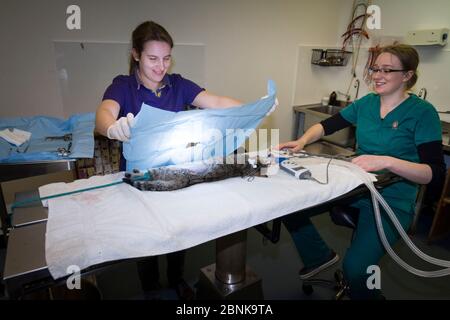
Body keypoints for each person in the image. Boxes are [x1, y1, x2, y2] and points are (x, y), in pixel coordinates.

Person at [95, 21, 262, 300]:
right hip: (140, 179)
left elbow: (218, 102)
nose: (161, 67)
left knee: (176, 232)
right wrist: (111, 126)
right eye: (152, 59)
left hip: (175, 174)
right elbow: (104, 112)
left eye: (166, 58)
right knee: (147, 238)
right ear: (136, 54)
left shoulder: (179, 85)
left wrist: (256, 107)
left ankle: (176, 280)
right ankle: (150, 287)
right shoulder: (123, 87)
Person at [277, 44, 445, 299]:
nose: (377, 75)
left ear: (407, 75)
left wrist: (387, 161)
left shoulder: (423, 113)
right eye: (375, 68)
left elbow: (433, 173)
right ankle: (319, 256)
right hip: (354, 188)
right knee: (287, 204)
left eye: (387, 70)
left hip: (392, 200)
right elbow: (327, 125)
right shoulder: (366, 104)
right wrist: (302, 141)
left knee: (356, 270)